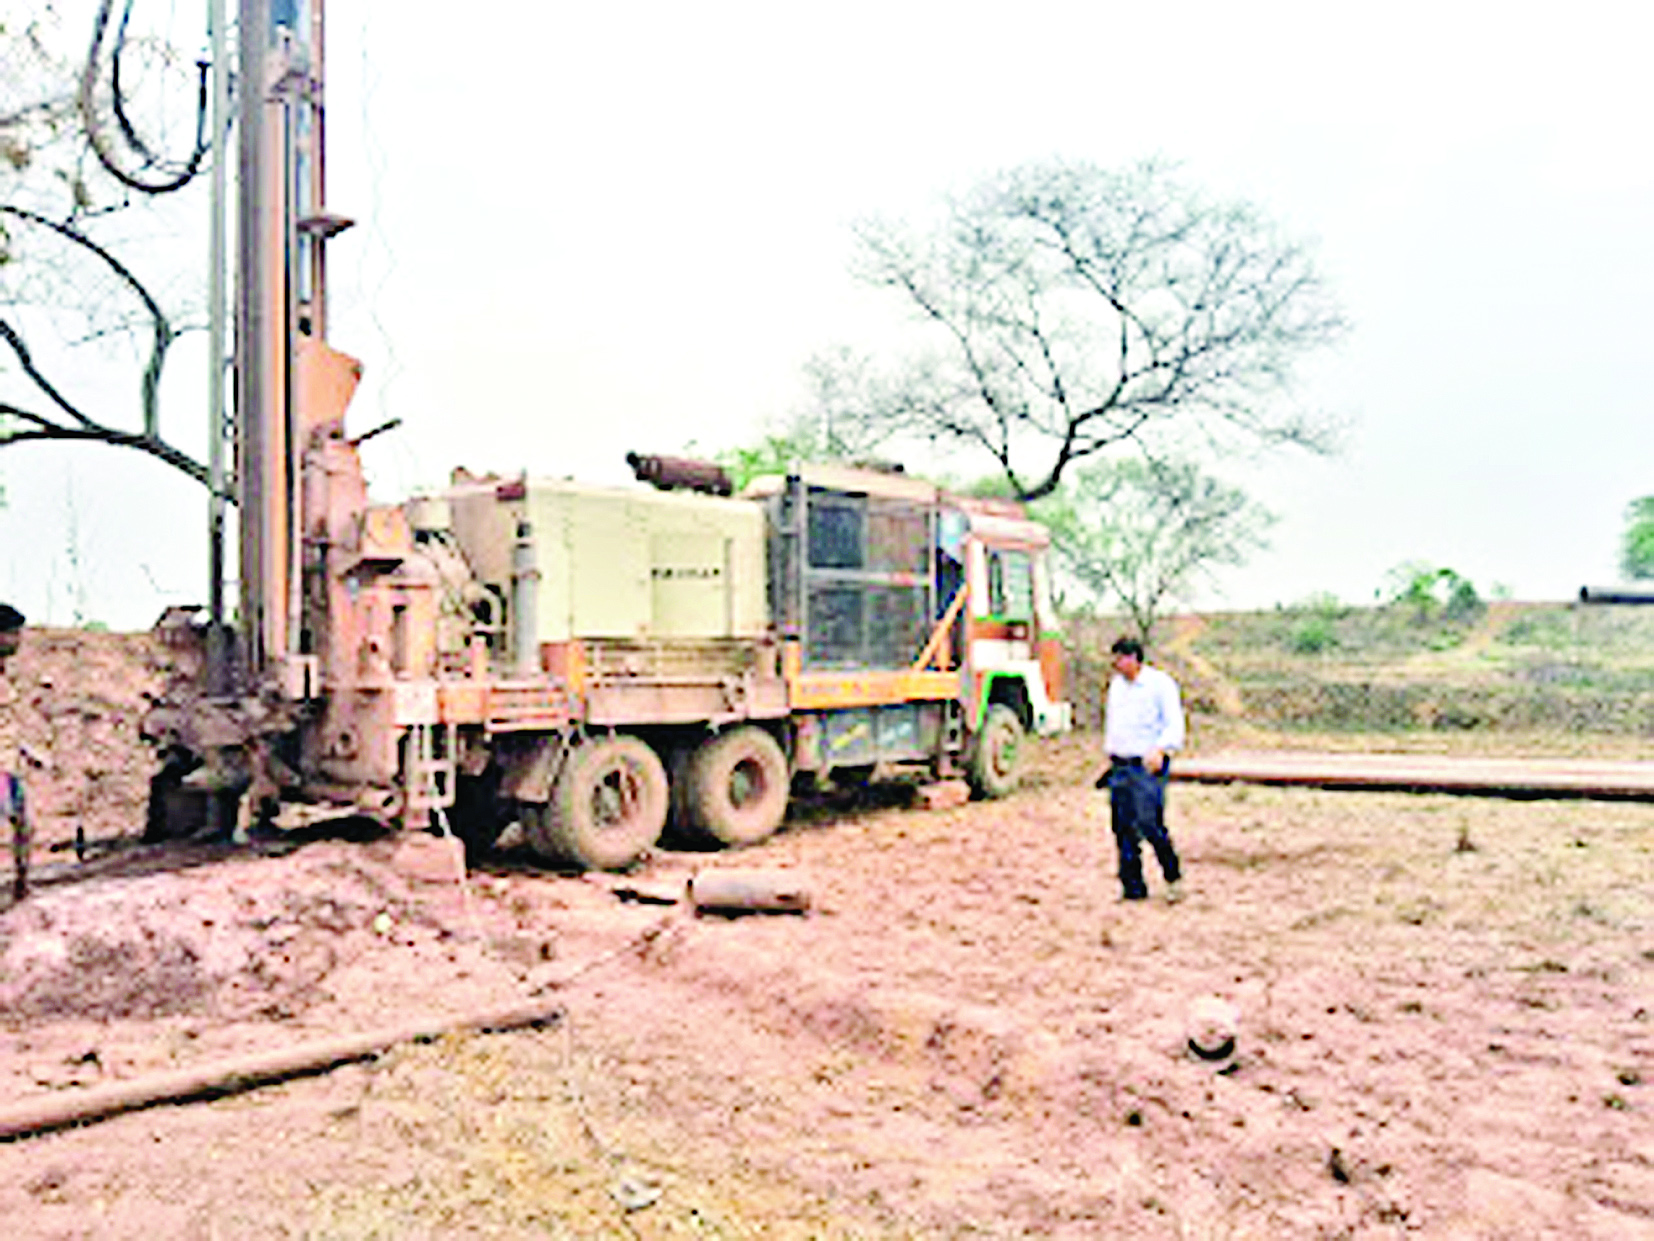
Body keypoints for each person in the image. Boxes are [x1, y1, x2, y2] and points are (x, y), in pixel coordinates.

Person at [1097, 635, 1186, 903]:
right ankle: (1132, 887)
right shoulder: (1116, 687)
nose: (1116, 664)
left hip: (1147, 765)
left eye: (1120, 659)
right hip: (1121, 764)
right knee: (1122, 827)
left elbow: (1174, 724)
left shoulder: (1160, 685)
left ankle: (1172, 876)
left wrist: (1162, 749)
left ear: (1134, 659)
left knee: (1150, 822)